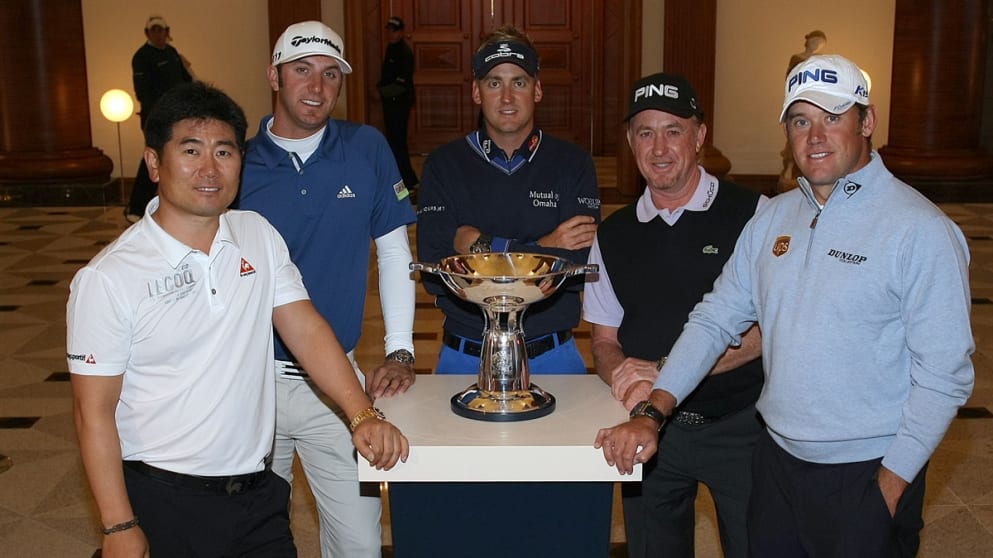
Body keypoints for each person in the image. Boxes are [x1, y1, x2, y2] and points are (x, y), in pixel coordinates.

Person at [595, 54, 975, 557]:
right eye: (801, 120)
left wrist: (891, 484)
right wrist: (653, 410)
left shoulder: (920, 229)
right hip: (774, 465)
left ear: (868, 121)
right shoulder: (773, 221)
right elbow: (713, 320)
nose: (815, 136)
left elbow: (945, 376)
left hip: (867, 471)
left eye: (832, 117)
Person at [67, 81, 409, 558]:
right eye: (191, 150)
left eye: (224, 152)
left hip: (256, 495)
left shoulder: (256, 235)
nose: (210, 169)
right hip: (164, 496)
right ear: (153, 163)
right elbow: (93, 412)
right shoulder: (108, 277)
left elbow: (305, 328)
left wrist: (361, 413)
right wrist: (118, 525)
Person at [398, 24, 606, 558]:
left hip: (554, 358)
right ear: (475, 91)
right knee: (463, 518)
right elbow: (439, 265)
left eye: (518, 81)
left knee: (559, 518)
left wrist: (482, 244)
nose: (507, 95)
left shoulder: (572, 163)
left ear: (538, 89)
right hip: (461, 359)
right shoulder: (444, 165)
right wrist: (541, 243)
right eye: (494, 82)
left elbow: (573, 263)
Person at [237, 21, 417, 558]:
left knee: (359, 542)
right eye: (302, 70)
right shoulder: (236, 160)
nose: (316, 87)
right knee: (254, 538)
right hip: (247, 382)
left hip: (334, 382)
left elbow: (392, 252)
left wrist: (400, 348)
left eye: (330, 74)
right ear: (274, 76)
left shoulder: (366, 148)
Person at [583, 72, 764, 558]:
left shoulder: (755, 216)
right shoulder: (613, 234)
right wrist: (630, 386)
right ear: (629, 141)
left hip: (744, 426)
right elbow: (603, 341)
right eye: (645, 132)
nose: (659, 147)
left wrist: (664, 374)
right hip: (653, 433)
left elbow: (770, 331)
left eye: (673, 130)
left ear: (700, 135)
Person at [125, 15, 194, 223]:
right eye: (153, 30)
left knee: (175, 156)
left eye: (161, 30)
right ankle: (136, 207)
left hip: (178, 116)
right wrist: (161, 113)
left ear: (167, 31)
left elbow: (186, 80)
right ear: (147, 33)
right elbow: (143, 93)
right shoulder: (142, 56)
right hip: (156, 118)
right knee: (154, 157)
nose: (158, 34)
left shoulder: (172, 53)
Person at [779, 30, 827, 192]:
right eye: (816, 41)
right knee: (796, 134)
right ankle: (789, 170)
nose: (817, 46)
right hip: (798, 100)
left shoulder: (822, 60)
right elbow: (790, 79)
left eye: (821, 43)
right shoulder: (797, 58)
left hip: (816, 102)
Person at [376, 16, 419, 190]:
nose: (390, 34)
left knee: (398, 142)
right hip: (390, 103)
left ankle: (409, 181)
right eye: (389, 30)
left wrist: (380, 93)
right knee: (393, 141)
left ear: (401, 32)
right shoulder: (391, 49)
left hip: (399, 102)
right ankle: (399, 179)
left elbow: (401, 83)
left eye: (394, 30)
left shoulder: (404, 52)